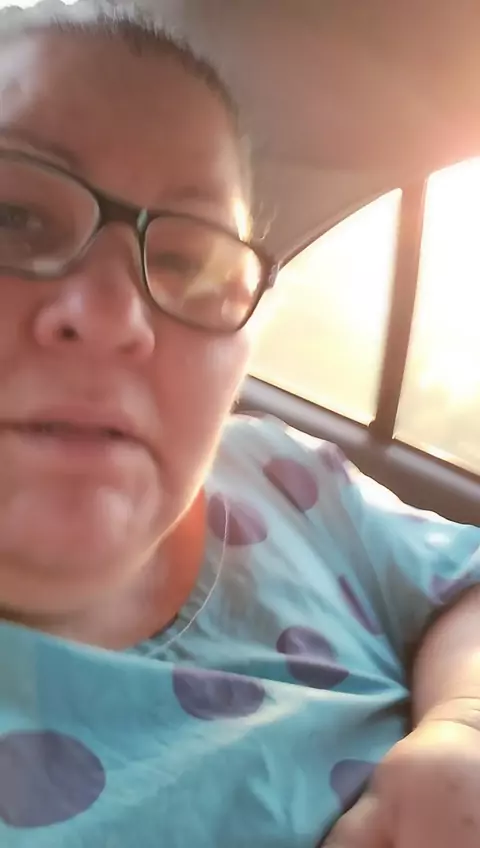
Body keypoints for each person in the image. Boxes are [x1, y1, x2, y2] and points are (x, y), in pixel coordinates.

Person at [0, 3, 479, 846]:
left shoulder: (289, 480)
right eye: (15, 218)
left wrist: (464, 730)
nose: (115, 315)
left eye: (188, 260)